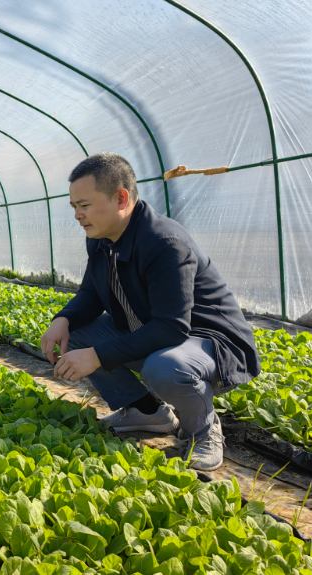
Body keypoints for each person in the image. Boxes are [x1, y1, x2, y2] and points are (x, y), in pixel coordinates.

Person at [40, 153, 260, 471]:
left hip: (207, 341)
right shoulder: (101, 240)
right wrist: (62, 320)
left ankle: (204, 430)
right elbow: (91, 292)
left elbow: (171, 328)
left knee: (165, 367)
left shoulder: (164, 243)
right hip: (157, 331)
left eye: (84, 205)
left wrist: (98, 356)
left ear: (121, 198)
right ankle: (146, 411)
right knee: (75, 334)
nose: (78, 215)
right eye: (74, 206)